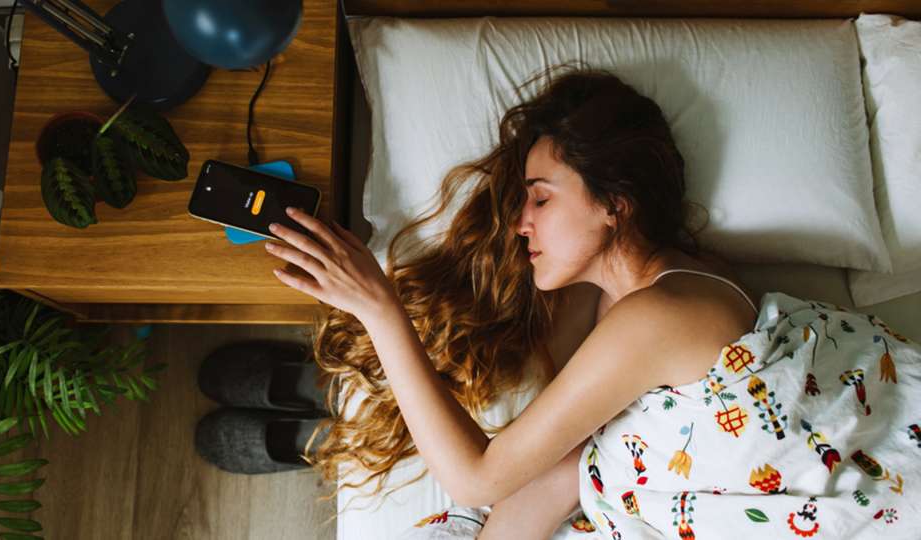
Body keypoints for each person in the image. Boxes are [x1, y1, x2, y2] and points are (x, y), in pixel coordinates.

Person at [265, 66, 920, 539]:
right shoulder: (626, 302)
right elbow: (537, 441)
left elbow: (481, 477)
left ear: (614, 204)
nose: (521, 221)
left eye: (542, 197)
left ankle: (301, 419)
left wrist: (380, 307)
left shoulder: (657, 316)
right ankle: (306, 407)